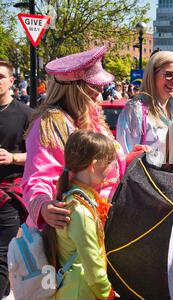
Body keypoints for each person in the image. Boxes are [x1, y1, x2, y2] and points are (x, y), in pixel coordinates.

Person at [22, 46, 125, 233]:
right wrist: (44, 206)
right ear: (74, 88)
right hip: (71, 229)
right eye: (94, 85)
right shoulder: (50, 122)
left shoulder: (94, 115)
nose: (101, 89)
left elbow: (107, 165)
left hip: (101, 223)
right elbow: (38, 177)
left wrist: (131, 158)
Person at [43, 130, 118, 299]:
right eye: (108, 164)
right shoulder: (80, 210)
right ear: (93, 165)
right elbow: (93, 267)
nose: (110, 170)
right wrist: (108, 294)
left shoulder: (76, 196)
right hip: (80, 292)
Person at [116, 51, 173, 167]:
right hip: (146, 183)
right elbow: (125, 160)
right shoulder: (135, 110)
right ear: (152, 74)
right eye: (169, 74)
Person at [0, 60, 33, 299]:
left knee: (2, 254)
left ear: (11, 81)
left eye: (0, 77)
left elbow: (37, 155)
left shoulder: (26, 114)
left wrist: (12, 157)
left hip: (8, 196)